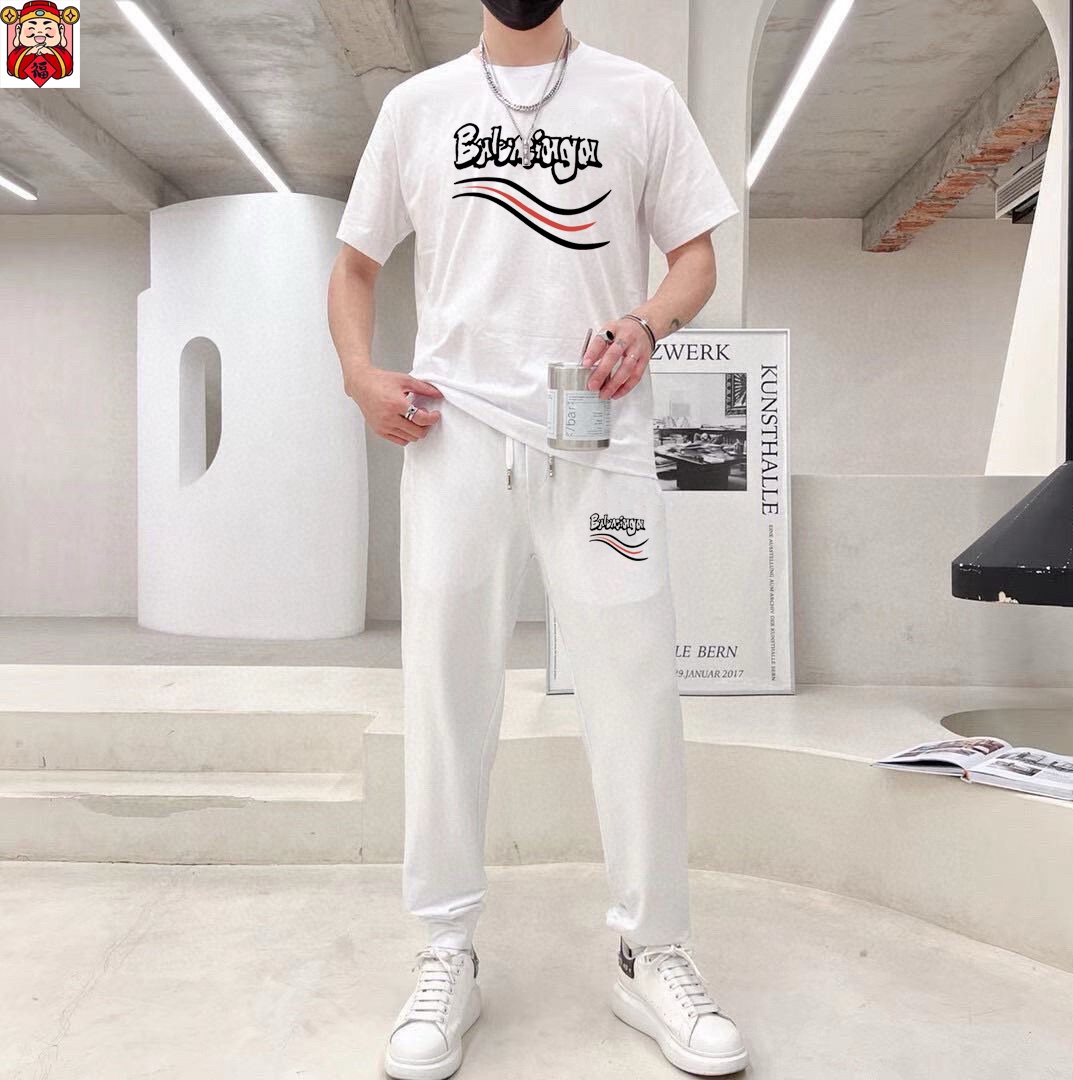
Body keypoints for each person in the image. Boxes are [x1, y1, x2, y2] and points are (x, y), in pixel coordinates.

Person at [327, 2, 747, 1075]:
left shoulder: (640, 98)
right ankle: (446, 950)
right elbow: (357, 264)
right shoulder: (417, 106)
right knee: (446, 689)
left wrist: (647, 322)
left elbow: (696, 257)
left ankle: (651, 952)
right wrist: (360, 374)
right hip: (453, 429)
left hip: (597, 427)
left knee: (635, 687)